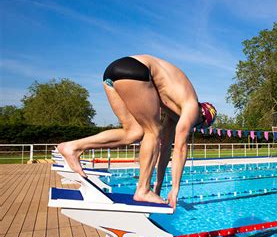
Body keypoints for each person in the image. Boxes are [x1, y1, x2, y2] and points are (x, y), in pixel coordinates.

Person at [58, 55, 216, 210]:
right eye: (198, 125)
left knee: (133, 132)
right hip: (136, 70)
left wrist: (159, 185)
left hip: (113, 73)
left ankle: (73, 147)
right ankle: (142, 190)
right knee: (153, 131)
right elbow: (180, 148)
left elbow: (166, 148)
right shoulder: (192, 106)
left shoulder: (175, 110)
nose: (193, 126)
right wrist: (175, 189)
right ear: (203, 116)